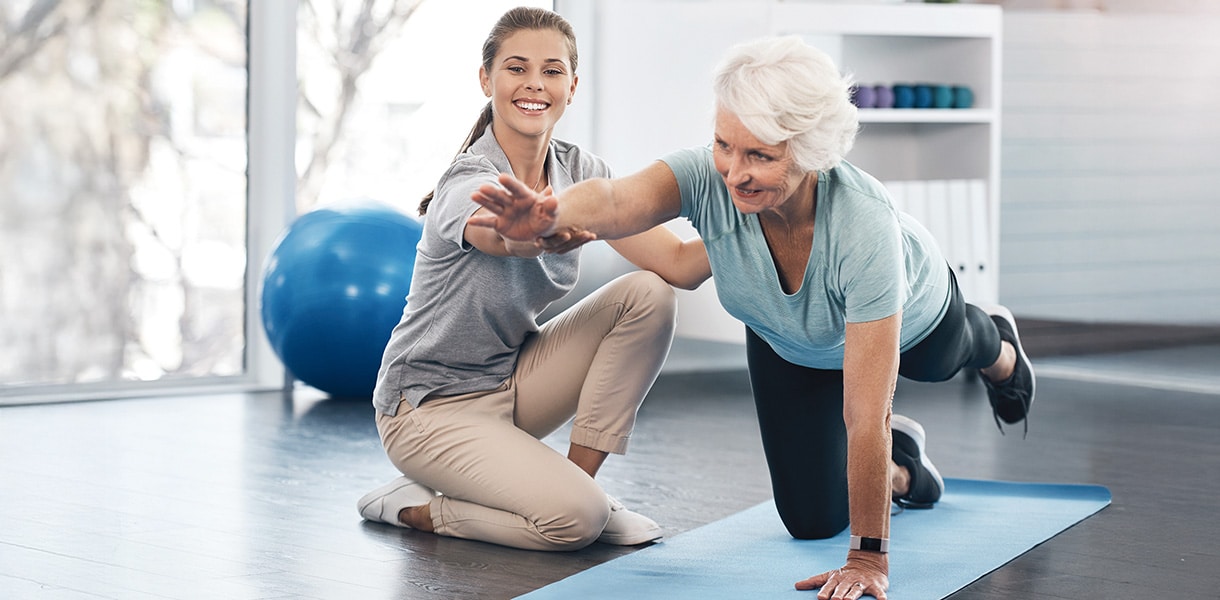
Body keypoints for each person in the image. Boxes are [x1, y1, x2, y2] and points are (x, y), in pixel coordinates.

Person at [470, 35, 1036, 599]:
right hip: (787, 339)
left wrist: (868, 557)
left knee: (946, 357)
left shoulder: (864, 228)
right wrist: (548, 215)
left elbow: (866, 414)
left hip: (914, 318)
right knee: (811, 521)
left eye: (761, 156)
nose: (734, 172)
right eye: (724, 145)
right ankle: (902, 470)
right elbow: (619, 201)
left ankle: (999, 344)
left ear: (811, 151)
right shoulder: (708, 178)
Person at [356, 7, 711, 552]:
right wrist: (530, 233)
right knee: (573, 524)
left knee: (648, 294)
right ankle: (418, 509)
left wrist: (759, 213)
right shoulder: (468, 179)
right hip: (427, 409)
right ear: (486, 79)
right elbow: (502, 237)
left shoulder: (583, 172)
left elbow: (681, 266)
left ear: (572, 85)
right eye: (516, 68)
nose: (534, 85)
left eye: (551, 71)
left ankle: (578, 485)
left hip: (511, 382)